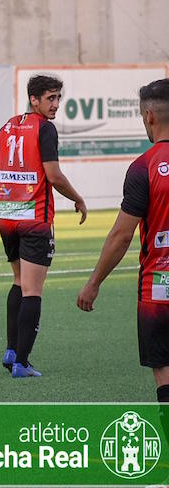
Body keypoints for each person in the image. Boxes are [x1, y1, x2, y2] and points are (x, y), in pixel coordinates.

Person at [0, 74, 86, 378]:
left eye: (58, 97)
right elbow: (53, 176)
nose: (56, 104)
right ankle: (22, 362)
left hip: (7, 218)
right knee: (33, 291)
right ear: (34, 99)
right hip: (34, 221)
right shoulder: (45, 129)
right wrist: (78, 198)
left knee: (18, 281)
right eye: (50, 98)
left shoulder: (6, 128)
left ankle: (10, 349)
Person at [77, 78, 169, 406]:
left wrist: (93, 283)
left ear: (149, 116)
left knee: (165, 373)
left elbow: (121, 235)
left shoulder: (143, 167)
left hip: (159, 290)